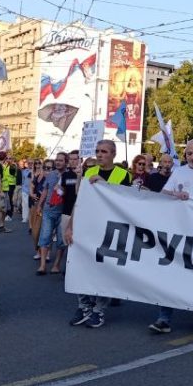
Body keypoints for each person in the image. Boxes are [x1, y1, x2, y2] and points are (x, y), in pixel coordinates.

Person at [147, 139, 193, 335]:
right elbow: (163, 194)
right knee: (171, 271)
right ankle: (164, 318)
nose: (192, 157)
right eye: (189, 154)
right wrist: (175, 195)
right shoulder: (179, 171)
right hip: (179, 231)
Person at [63, 140, 131, 328]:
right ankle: (84, 306)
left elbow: (126, 202)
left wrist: (105, 185)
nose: (100, 155)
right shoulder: (89, 172)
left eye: (104, 151)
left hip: (109, 229)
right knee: (80, 265)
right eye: (98, 151)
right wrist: (70, 226)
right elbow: (80, 202)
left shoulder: (123, 175)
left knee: (104, 270)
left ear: (113, 154)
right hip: (87, 226)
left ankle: (98, 310)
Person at [36, 153, 67, 275]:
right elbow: (45, 189)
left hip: (63, 212)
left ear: (66, 161)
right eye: (57, 160)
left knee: (60, 240)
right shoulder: (51, 174)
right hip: (49, 210)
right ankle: (42, 265)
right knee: (45, 237)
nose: (58, 162)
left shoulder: (70, 175)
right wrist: (39, 205)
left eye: (61, 160)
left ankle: (56, 265)